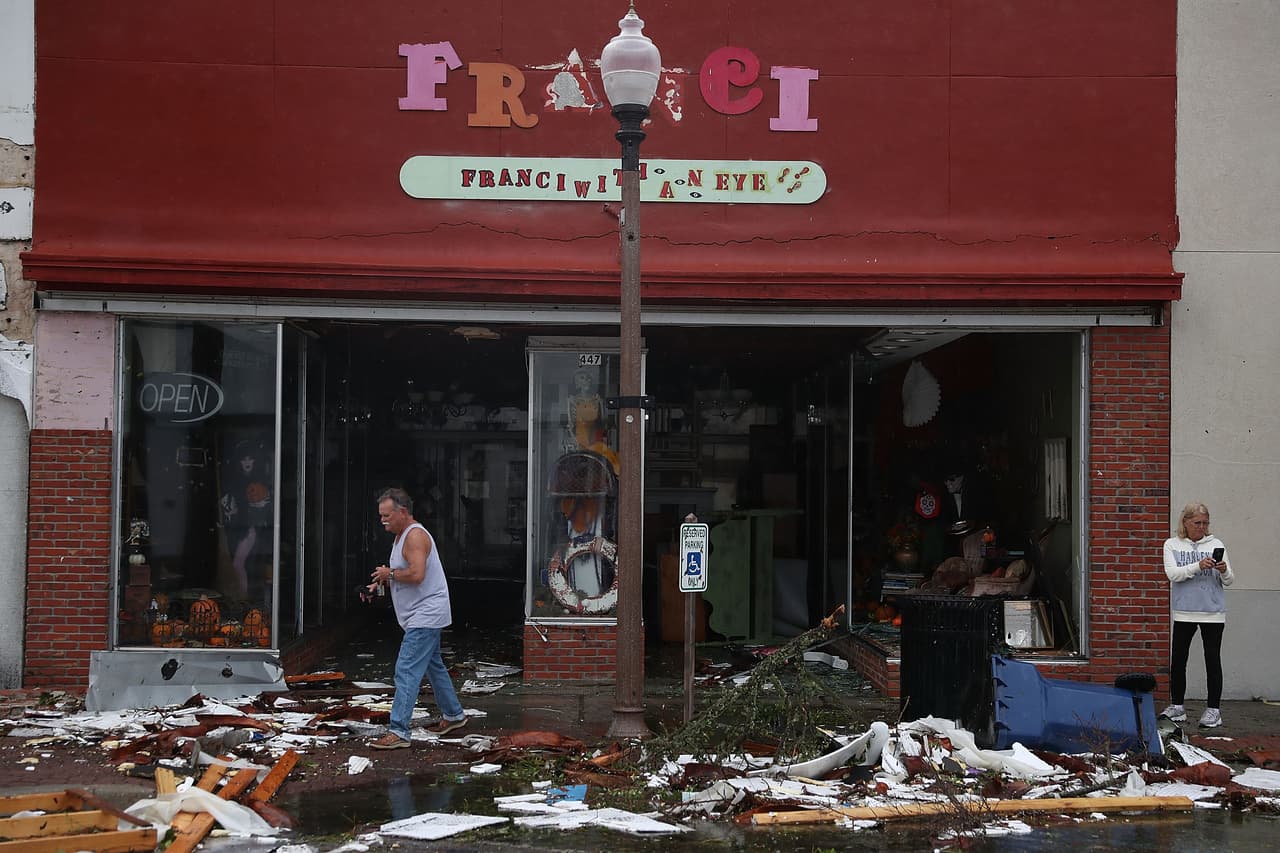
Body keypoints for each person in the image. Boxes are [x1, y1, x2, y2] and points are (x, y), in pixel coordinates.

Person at [367, 487, 467, 749]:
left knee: (407, 669)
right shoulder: (401, 536)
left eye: (387, 515)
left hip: (426, 614)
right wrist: (381, 582)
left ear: (402, 511)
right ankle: (454, 715)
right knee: (433, 666)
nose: (383, 520)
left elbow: (417, 574)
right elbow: (404, 574)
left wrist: (390, 574)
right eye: (380, 516)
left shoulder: (414, 536)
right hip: (420, 614)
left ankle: (399, 731)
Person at [1161, 502, 1234, 729]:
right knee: (1179, 659)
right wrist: (1197, 566)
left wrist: (1223, 570)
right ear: (1185, 522)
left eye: (1205, 523)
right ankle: (1177, 706)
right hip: (1184, 611)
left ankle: (1213, 710)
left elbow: (1230, 580)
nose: (1201, 527)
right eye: (1197, 523)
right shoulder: (1172, 544)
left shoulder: (1216, 544)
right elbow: (1172, 574)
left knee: (1212, 660)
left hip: (1212, 612)